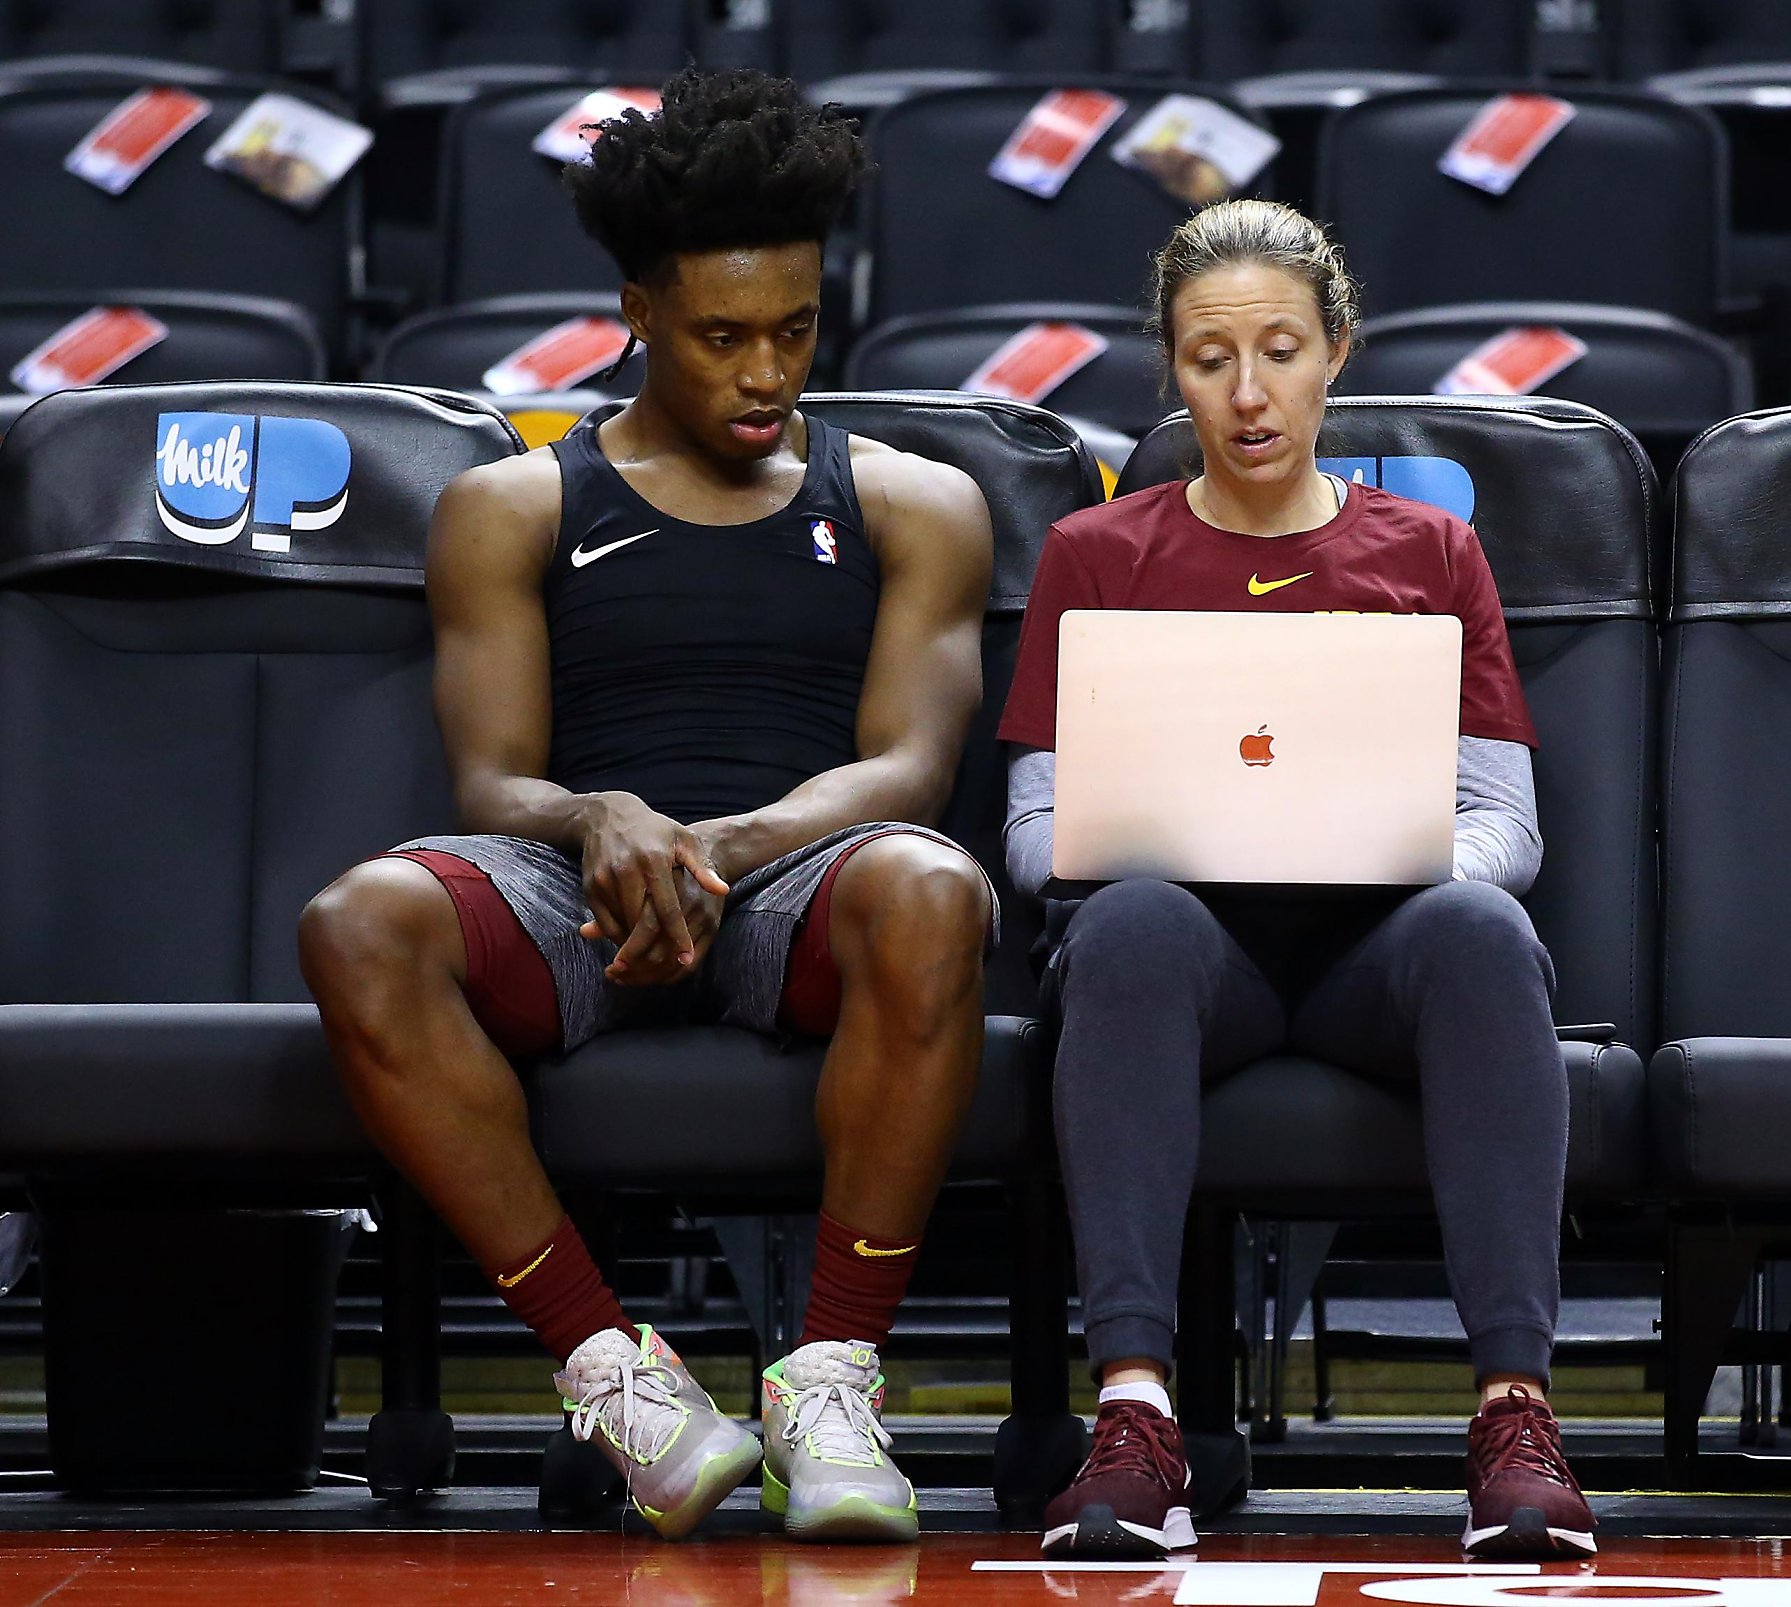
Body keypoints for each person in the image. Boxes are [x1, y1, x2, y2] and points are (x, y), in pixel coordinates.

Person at [298, 69, 996, 1543]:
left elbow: (910, 769)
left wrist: (729, 845)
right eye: (721, 337)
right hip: (577, 883)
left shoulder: (913, 501)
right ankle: (622, 1382)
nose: (765, 374)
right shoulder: (513, 505)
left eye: (794, 331)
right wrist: (598, 818)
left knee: (936, 882)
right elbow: (493, 779)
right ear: (636, 312)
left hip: (800, 872)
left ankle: (829, 1384)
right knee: (359, 926)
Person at [998, 199, 1594, 1561]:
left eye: (1280, 350)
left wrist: (1360, 838)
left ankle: (1515, 1416)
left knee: (1483, 931)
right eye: (1212, 359)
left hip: (1372, 955)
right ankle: (1137, 1418)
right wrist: (1173, 836)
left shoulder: (1431, 552)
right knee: (1133, 918)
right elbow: (1033, 834)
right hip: (1191, 961)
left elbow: (1507, 827)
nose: (1249, 392)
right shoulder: (1099, 555)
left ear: (1336, 352)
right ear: (1172, 370)